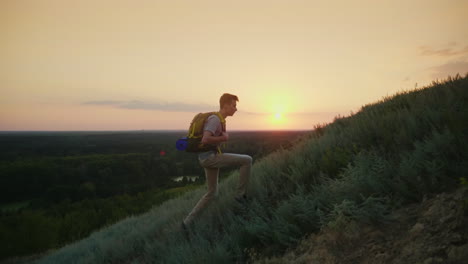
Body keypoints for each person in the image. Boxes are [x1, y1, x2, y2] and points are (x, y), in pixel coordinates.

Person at [182, 93, 253, 228]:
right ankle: (240, 196)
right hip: (210, 158)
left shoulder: (218, 118)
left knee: (212, 193)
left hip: (205, 157)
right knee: (247, 160)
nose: (235, 109)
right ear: (225, 105)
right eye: (234, 105)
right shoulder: (215, 119)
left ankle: (187, 223)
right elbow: (205, 139)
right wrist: (224, 138)